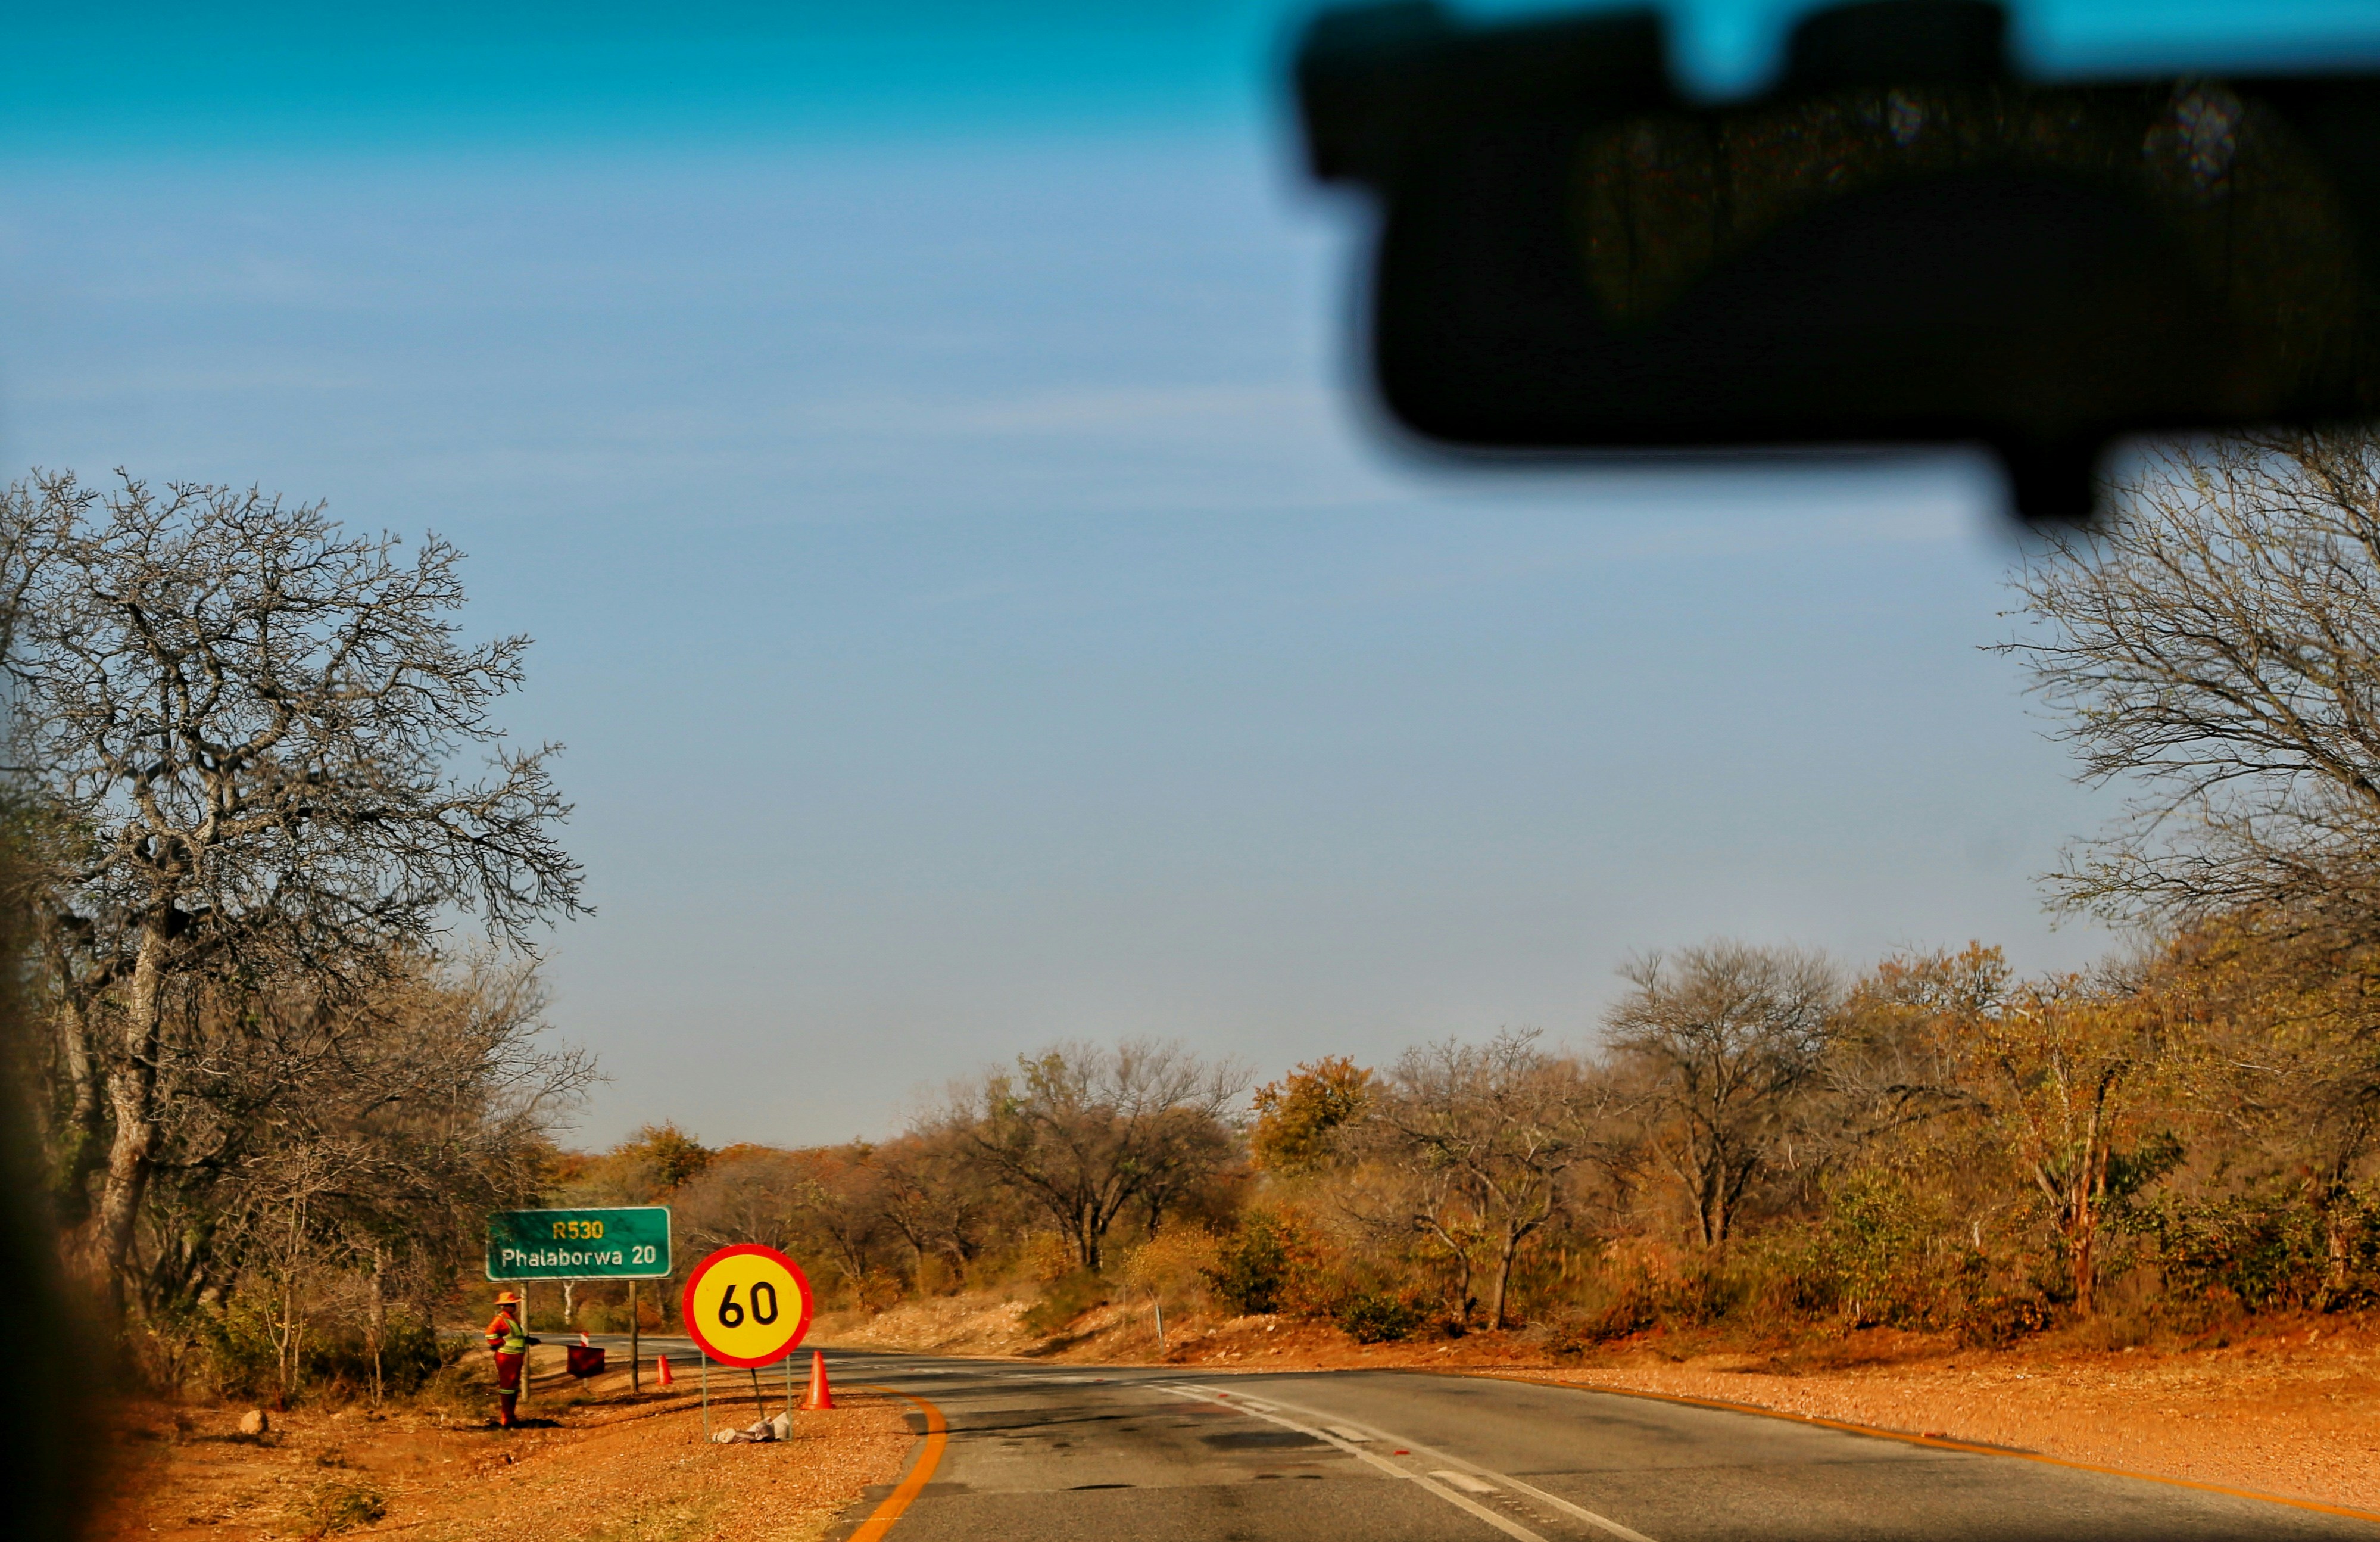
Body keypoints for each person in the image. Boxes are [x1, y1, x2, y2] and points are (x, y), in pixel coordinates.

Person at [484, 1291, 541, 1428]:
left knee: (513, 1388)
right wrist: (497, 1344)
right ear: (505, 1306)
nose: (515, 1307)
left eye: (514, 1304)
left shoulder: (511, 1318)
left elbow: (515, 1336)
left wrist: (527, 1340)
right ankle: (506, 1418)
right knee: (507, 1388)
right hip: (506, 1357)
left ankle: (511, 1416)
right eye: (512, 1304)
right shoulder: (500, 1319)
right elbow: (490, 1334)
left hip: (515, 1357)